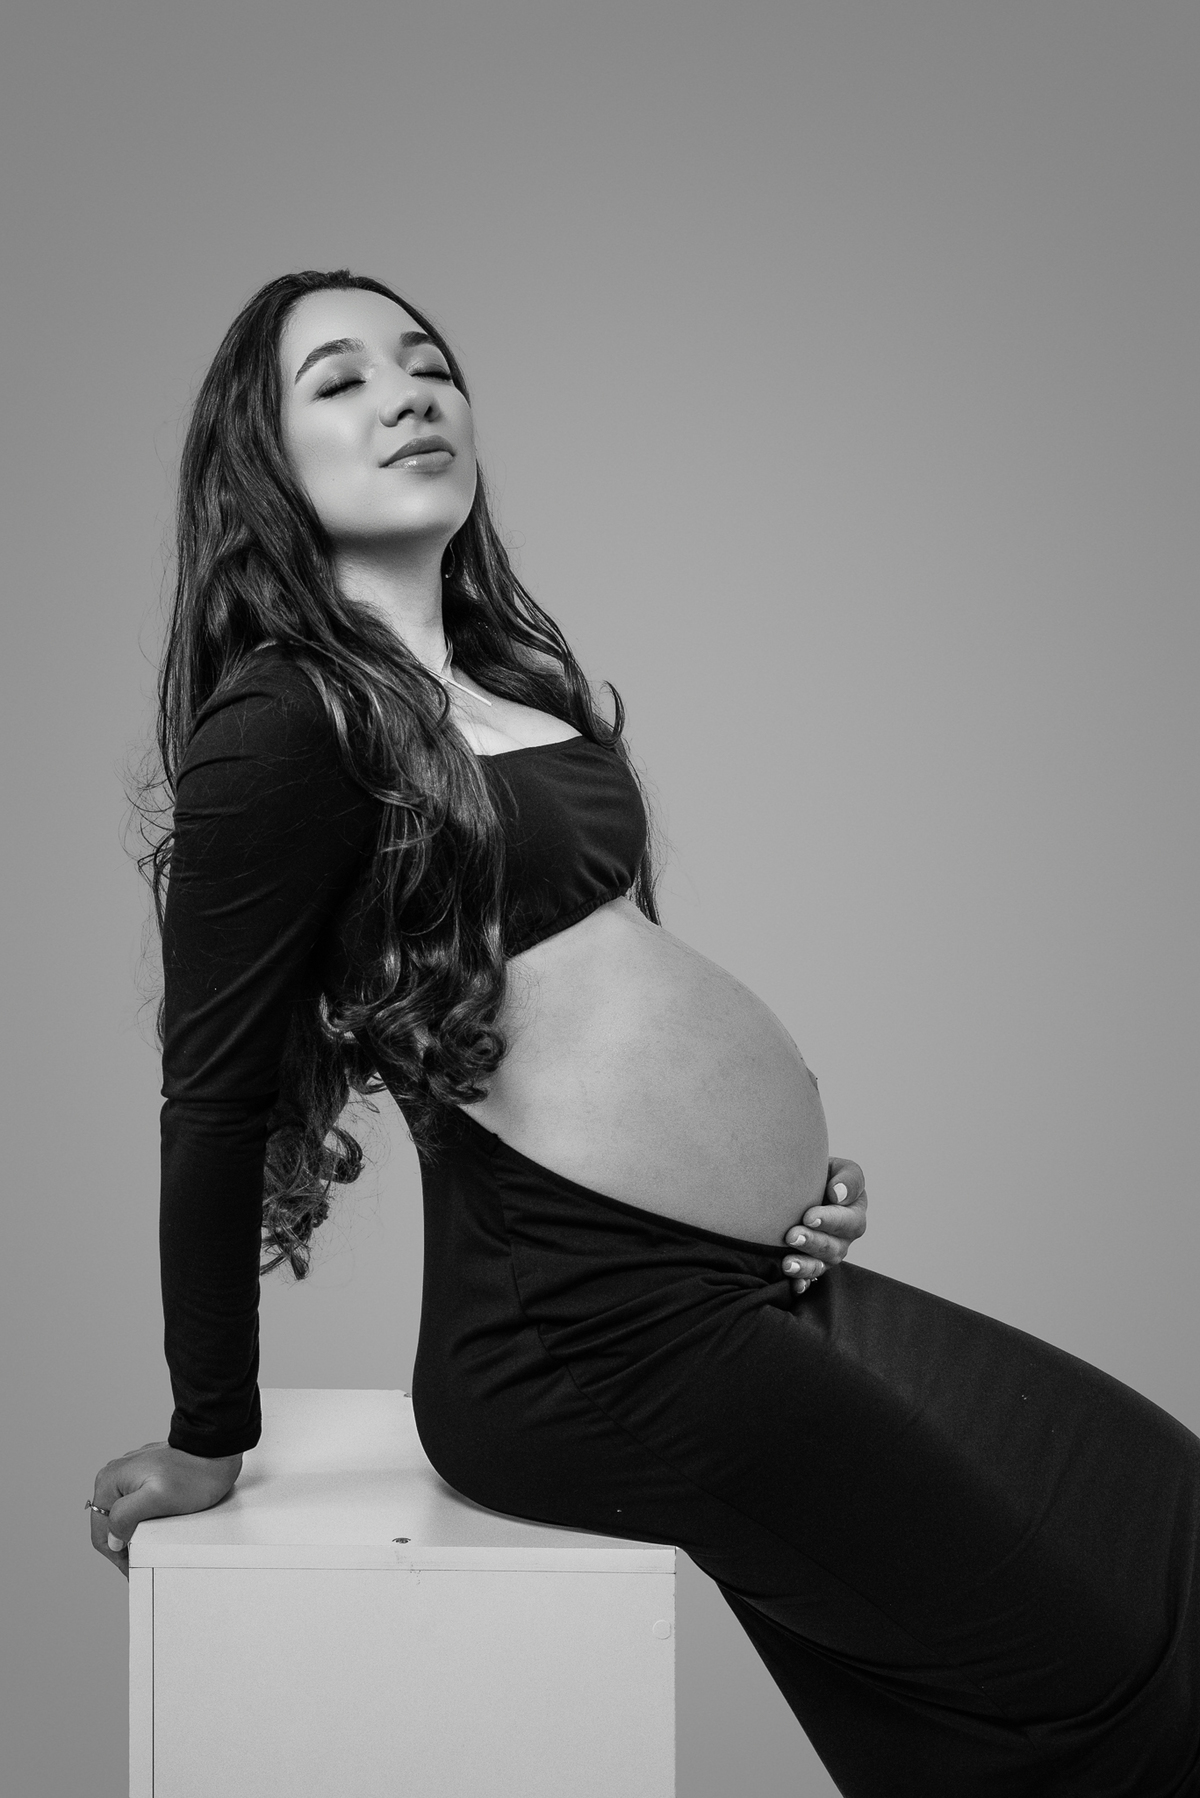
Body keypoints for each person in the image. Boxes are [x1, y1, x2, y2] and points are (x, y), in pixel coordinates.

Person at [89, 271, 1199, 1796]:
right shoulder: (286, 724)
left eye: (427, 362)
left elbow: (618, 993)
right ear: (263, 462)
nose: (409, 393)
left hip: (727, 1278)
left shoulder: (508, 682)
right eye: (340, 381)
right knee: (1079, 1656)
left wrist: (772, 1169)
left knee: (1163, 1518)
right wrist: (207, 1430)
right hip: (579, 1334)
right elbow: (211, 1102)